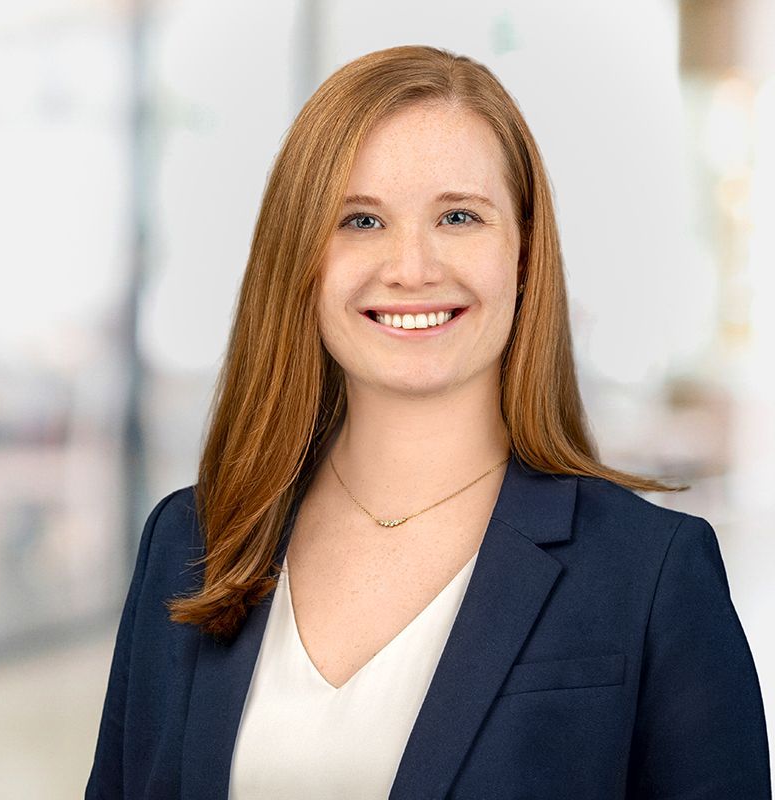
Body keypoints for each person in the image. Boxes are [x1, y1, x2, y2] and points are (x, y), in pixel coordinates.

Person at [85, 46, 768, 798]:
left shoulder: (652, 573)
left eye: (459, 215)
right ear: (300, 258)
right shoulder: (190, 544)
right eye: (362, 219)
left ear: (524, 254)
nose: (411, 266)